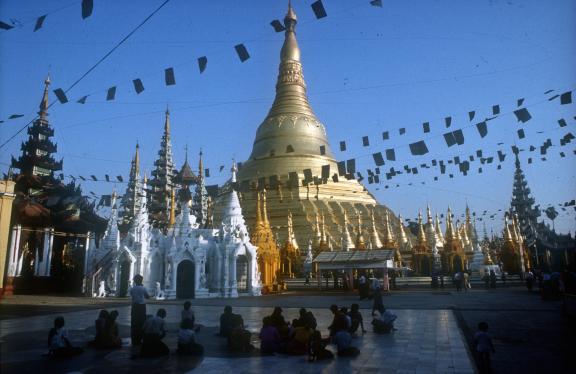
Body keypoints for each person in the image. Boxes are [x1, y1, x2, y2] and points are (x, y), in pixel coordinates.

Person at [129, 274, 149, 346]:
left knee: (134, 321)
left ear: (135, 281)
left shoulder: (132, 288)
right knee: (142, 321)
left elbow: (132, 295)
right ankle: (141, 336)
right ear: (141, 280)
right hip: (142, 306)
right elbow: (147, 296)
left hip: (134, 306)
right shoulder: (143, 288)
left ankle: (134, 336)